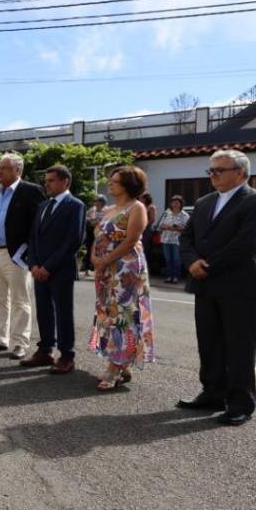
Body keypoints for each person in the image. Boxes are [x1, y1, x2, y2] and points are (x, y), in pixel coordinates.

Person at [177, 149, 256, 426]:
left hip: (240, 287)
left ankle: (241, 402)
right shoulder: (205, 202)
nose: (213, 175)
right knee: (209, 343)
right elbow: (187, 237)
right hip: (205, 286)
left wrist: (208, 266)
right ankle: (213, 392)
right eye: (211, 170)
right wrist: (192, 262)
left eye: (219, 170)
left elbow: (246, 242)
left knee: (240, 347)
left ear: (240, 173)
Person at [89, 166, 156, 390]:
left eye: (115, 181)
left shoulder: (136, 207)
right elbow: (97, 236)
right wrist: (94, 258)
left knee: (122, 315)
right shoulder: (108, 209)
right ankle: (121, 364)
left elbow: (131, 240)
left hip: (125, 268)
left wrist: (105, 260)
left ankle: (114, 367)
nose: (110, 184)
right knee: (107, 313)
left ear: (128, 184)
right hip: (105, 269)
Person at [0, 153, 45, 359]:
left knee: (20, 300)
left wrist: (31, 253)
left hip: (16, 254)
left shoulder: (31, 191)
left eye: (4, 168)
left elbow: (38, 225)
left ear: (17, 170)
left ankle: (20, 343)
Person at [23, 165, 85, 373]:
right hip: (39, 269)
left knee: (63, 313)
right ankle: (45, 350)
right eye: (46, 180)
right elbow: (33, 238)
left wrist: (48, 266)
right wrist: (33, 264)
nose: (46, 184)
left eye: (51, 180)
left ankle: (67, 355)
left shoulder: (75, 205)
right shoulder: (43, 206)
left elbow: (73, 240)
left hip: (60, 270)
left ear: (65, 182)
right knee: (43, 311)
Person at [158, 195, 189, 283]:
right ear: (171, 204)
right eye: (173, 202)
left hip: (177, 240)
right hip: (166, 239)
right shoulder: (166, 213)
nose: (175, 204)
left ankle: (176, 277)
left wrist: (177, 228)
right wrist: (165, 227)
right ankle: (169, 276)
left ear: (181, 204)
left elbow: (187, 229)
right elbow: (159, 225)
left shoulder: (184, 215)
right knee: (168, 259)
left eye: (177, 203)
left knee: (176, 259)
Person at [82, 196, 106, 276]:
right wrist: (90, 220)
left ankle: (98, 268)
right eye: (95, 201)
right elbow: (86, 217)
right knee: (90, 249)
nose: (95, 202)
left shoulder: (107, 210)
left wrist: (98, 221)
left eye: (97, 201)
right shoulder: (92, 210)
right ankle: (87, 268)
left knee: (100, 250)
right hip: (91, 232)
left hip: (101, 233)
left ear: (102, 202)